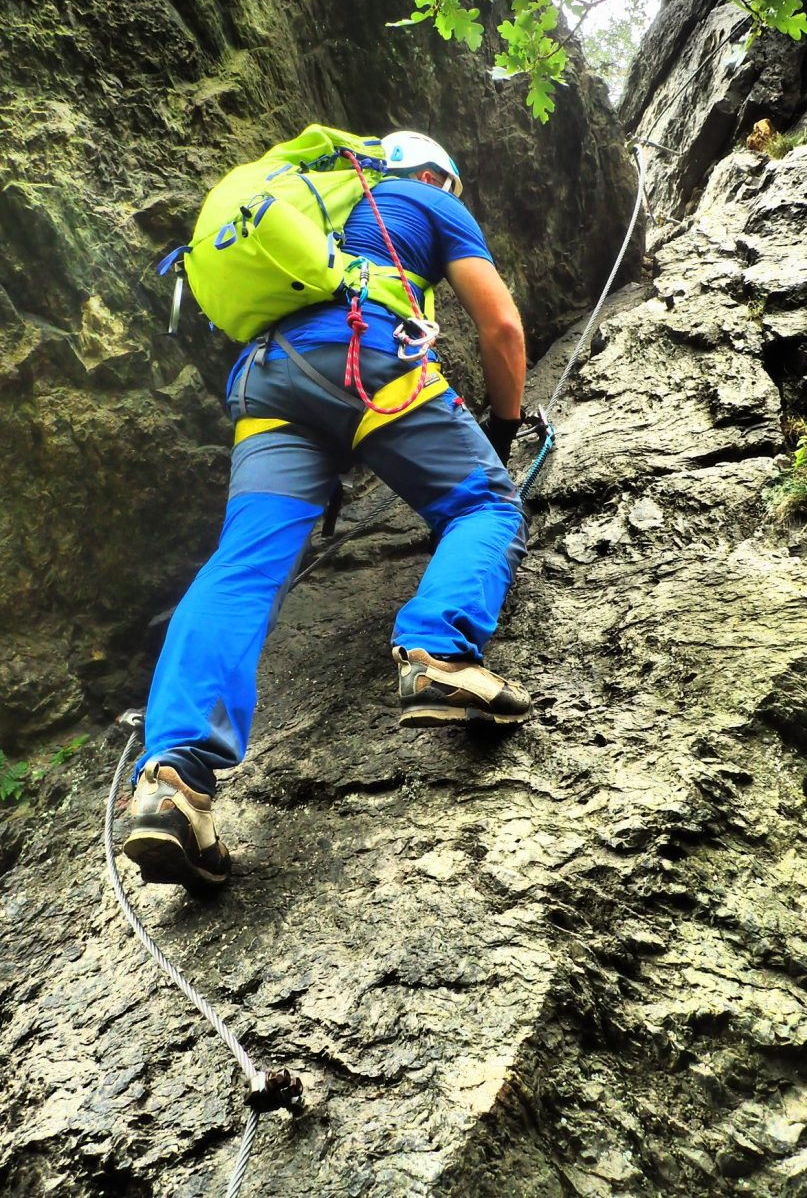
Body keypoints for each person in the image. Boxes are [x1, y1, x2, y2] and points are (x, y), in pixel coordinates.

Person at [124, 130, 530, 892]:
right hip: (363, 350)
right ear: (438, 175)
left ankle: (172, 783)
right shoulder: (424, 200)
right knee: (483, 504)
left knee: (242, 567)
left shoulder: (310, 203)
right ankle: (437, 653)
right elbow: (501, 326)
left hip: (266, 381)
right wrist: (503, 429)